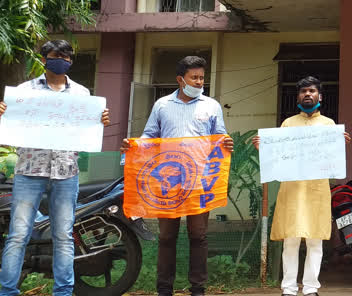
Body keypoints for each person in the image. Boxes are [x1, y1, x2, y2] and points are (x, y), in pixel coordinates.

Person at [0, 40, 111, 296]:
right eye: (55, 56)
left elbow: (88, 128)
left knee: (63, 236)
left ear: (71, 61)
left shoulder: (83, 95)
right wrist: (4, 113)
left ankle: (63, 291)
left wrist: (100, 120)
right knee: (18, 235)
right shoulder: (24, 91)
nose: (61, 60)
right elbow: (10, 124)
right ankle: (7, 291)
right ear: (44, 59)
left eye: (66, 56)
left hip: (66, 173)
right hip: (29, 170)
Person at [121, 55, 232, 296]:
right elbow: (150, 136)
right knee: (167, 236)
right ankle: (164, 289)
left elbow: (220, 137)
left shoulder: (211, 106)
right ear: (181, 80)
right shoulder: (162, 105)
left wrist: (226, 143)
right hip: (168, 182)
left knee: (199, 235)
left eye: (202, 77)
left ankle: (198, 289)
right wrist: (133, 147)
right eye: (195, 77)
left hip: (201, 180)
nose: (200, 81)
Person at [252, 76, 350, 296]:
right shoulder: (288, 123)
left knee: (315, 241)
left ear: (320, 96)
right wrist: (264, 148)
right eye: (304, 91)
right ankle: (288, 288)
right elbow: (279, 156)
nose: (308, 94)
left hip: (317, 189)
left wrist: (338, 144)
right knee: (291, 240)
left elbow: (330, 158)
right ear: (298, 96)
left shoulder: (329, 125)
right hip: (292, 190)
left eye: (312, 91)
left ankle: (311, 288)